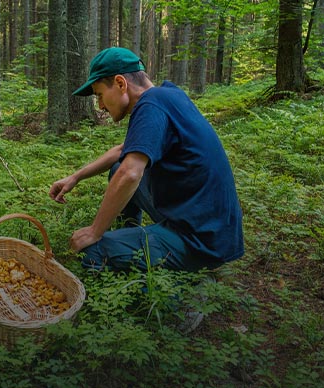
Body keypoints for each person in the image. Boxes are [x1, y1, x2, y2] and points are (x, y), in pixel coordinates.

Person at [49, 47, 244, 278]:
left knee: (92, 251)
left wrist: (94, 231)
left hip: (200, 239)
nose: (100, 105)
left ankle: (184, 288)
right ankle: (131, 241)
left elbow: (131, 173)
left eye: (100, 95)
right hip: (207, 222)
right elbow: (123, 151)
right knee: (116, 168)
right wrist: (75, 177)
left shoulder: (150, 106)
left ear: (121, 83)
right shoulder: (166, 96)